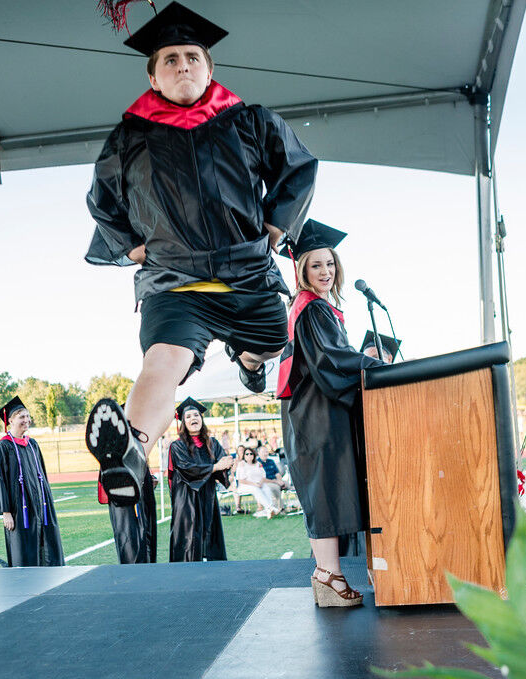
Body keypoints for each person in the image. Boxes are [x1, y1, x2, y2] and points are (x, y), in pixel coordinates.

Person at [84, 1, 317, 562]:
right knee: (162, 361)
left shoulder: (250, 120)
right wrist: (133, 247)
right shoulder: (128, 136)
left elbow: (298, 169)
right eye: (170, 59)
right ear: (153, 73)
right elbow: (103, 203)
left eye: (192, 56)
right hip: (175, 280)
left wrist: (275, 226)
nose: (182, 65)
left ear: (209, 67)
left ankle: (250, 363)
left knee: (271, 345)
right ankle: (130, 453)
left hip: (246, 272)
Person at [277, 221, 383, 608]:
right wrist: (371, 366)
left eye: (330, 264)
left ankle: (328, 573)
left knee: (323, 491)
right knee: (322, 493)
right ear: (303, 269)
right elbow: (330, 361)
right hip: (315, 417)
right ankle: (328, 574)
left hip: (314, 415)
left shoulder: (315, 309)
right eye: (316, 265)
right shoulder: (311, 308)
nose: (325, 272)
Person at [0, 397, 64, 567]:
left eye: (28, 416)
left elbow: (42, 475)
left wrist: (47, 503)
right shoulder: (2, 447)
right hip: (18, 507)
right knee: (23, 547)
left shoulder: (32, 444)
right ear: (10, 420)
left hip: (39, 504)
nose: (26, 420)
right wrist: (5, 512)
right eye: (21, 417)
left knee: (47, 545)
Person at [167, 397, 232, 561]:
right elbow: (187, 469)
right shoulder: (177, 446)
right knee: (188, 539)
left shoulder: (213, 443)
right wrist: (216, 467)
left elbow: (222, 466)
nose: (193, 418)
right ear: (183, 422)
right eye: (188, 417)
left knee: (210, 534)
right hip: (186, 498)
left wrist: (228, 464)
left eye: (196, 415)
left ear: (201, 419)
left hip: (208, 495)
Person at [234, 447, 280, 518]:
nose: (249, 455)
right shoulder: (242, 464)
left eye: (251, 453)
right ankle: (270, 508)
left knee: (266, 487)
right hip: (245, 485)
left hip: (258, 484)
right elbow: (241, 480)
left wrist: (260, 483)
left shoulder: (258, 463)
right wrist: (255, 484)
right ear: (244, 455)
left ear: (253, 455)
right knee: (255, 489)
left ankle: (268, 510)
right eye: (247, 454)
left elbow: (263, 476)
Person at [256, 444, 285, 509]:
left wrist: (280, 481)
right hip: (265, 483)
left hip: (275, 481)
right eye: (263, 452)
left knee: (293, 485)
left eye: (266, 451)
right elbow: (262, 478)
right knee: (276, 487)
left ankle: (302, 506)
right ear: (259, 453)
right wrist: (276, 482)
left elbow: (277, 473)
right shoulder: (257, 463)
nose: (265, 453)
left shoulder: (271, 461)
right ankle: (280, 508)